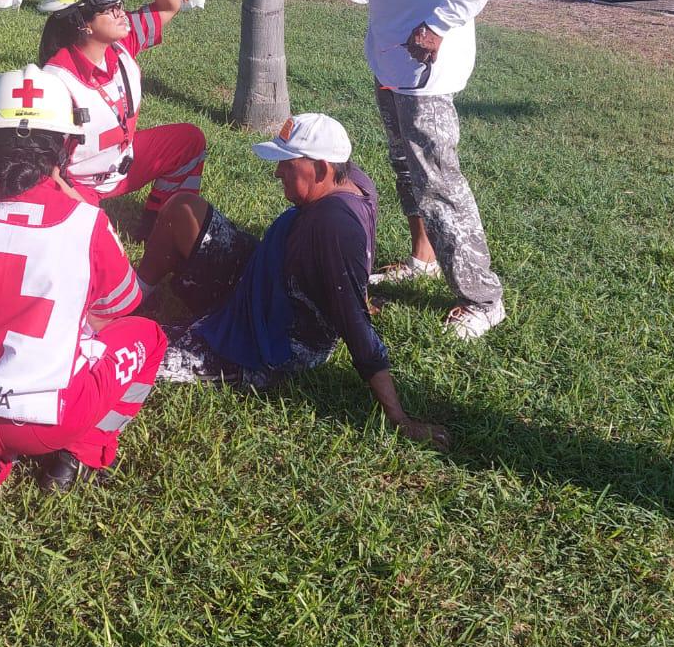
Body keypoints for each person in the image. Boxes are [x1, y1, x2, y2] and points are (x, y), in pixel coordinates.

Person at [0, 66, 166, 519]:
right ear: (67, 146)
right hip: (47, 422)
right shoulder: (86, 224)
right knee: (148, 337)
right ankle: (81, 453)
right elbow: (123, 306)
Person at [138, 113, 448, 448]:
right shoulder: (355, 180)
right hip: (264, 274)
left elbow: (356, 328)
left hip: (274, 340)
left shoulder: (334, 227)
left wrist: (399, 418)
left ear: (321, 169)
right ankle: (131, 297)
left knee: (136, 350)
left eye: (287, 164)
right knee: (183, 210)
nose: (277, 172)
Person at [346, 0, 507, 340]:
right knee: (405, 164)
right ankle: (424, 257)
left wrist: (438, 24)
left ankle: (483, 298)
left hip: (425, 65)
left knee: (437, 177)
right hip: (394, 58)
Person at [37, 0, 205, 241]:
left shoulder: (121, 43)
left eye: (120, 4)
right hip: (78, 184)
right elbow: (45, 171)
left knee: (189, 141)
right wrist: (85, 211)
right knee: (101, 247)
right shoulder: (54, 82)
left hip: (124, 162)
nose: (121, 13)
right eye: (110, 8)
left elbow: (169, 6)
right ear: (82, 23)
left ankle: (157, 224)